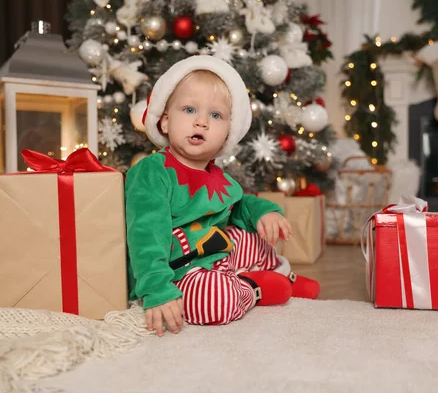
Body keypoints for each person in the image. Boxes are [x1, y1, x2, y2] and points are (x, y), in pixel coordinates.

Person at [125, 55, 320, 337]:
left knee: (253, 236)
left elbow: (240, 206)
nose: (201, 122)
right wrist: (156, 288)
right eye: (189, 109)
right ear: (165, 122)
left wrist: (265, 212)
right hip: (179, 274)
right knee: (215, 301)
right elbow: (145, 233)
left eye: (215, 115)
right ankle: (252, 288)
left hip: (216, 255)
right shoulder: (152, 172)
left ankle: (281, 273)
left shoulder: (219, 177)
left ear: (227, 134)